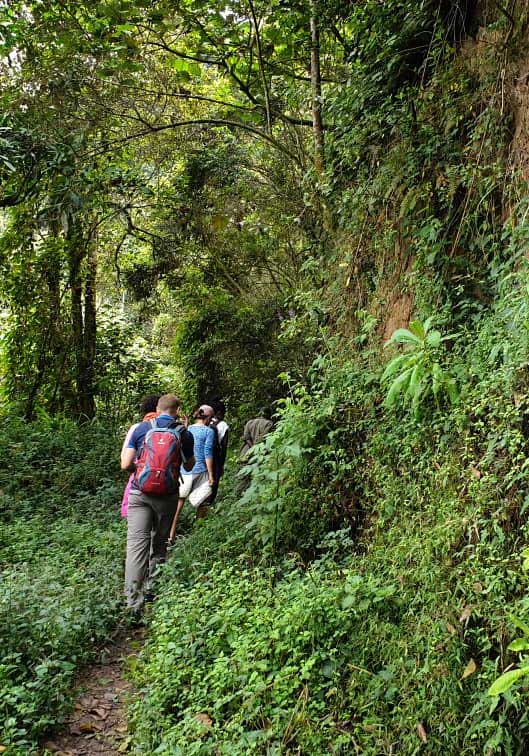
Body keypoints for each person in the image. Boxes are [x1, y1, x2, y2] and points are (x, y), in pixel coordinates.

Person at [120, 393, 194, 617]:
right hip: (167, 496)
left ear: (158, 408)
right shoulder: (183, 433)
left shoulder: (139, 428)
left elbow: (125, 464)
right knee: (159, 545)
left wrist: (142, 472)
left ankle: (133, 605)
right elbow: (189, 466)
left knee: (135, 548)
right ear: (176, 411)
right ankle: (152, 590)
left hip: (139, 494)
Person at [169, 404, 215, 540]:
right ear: (208, 418)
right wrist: (211, 475)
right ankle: (197, 534)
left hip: (185, 471)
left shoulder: (187, 429)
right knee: (203, 502)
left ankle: (170, 536)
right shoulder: (208, 432)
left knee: (178, 505)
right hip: (200, 471)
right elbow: (208, 454)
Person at [120, 394, 160, 518]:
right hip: (164, 482)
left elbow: (125, 460)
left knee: (137, 529)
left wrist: (138, 470)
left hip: (139, 482)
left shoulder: (136, 428)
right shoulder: (170, 428)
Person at [208, 399, 229, 506]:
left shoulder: (205, 421)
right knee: (214, 482)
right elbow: (224, 447)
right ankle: (208, 505)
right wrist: (221, 465)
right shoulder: (223, 425)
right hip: (215, 457)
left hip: (202, 457)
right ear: (220, 412)